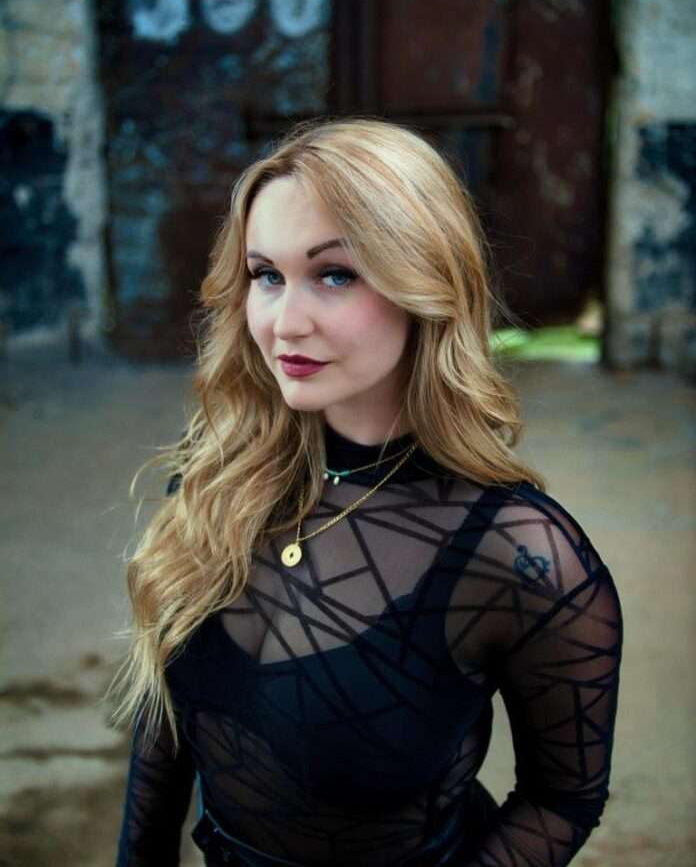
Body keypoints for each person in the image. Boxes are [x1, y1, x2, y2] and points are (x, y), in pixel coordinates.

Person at [109, 117, 623, 867]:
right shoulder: (217, 476)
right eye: (266, 275)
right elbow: (162, 718)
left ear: (426, 284)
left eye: (335, 275)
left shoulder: (522, 555)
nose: (285, 323)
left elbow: (562, 799)